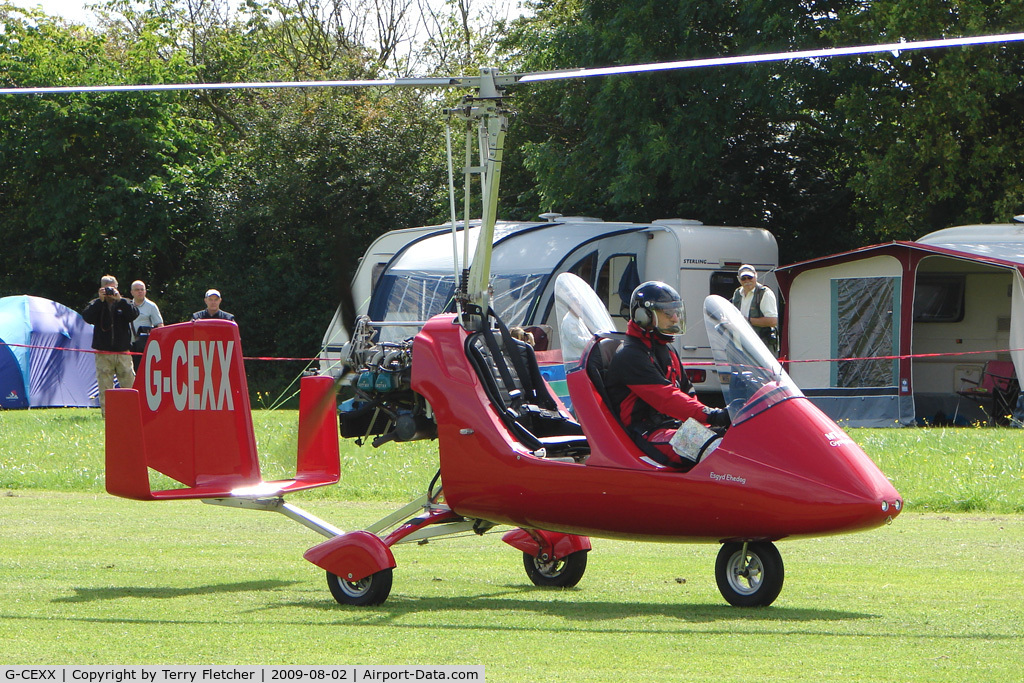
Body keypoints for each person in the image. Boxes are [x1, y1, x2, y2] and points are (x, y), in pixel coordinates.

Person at [605, 281, 730, 468]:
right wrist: (713, 416)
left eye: (676, 312)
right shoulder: (630, 355)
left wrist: (712, 421)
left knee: (736, 439)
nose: (675, 319)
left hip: (672, 426)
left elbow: (686, 391)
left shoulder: (666, 349)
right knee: (715, 450)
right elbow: (666, 398)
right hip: (645, 432)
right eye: (667, 313)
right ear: (643, 316)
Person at [81, 275, 139, 417]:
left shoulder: (125, 303)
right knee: (105, 386)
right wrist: (100, 302)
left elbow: (134, 314)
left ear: (117, 288)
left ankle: (132, 413)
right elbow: (87, 317)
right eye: (107, 288)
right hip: (103, 353)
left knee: (129, 384)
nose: (110, 291)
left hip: (123, 352)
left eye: (112, 288)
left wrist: (119, 300)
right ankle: (108, 415)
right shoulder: (96, 304)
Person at [731, 264, 779, 356]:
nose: (747, 280)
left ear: (755, 276)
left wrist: (747, 320)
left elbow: (773, 321)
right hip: (738, 348)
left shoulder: (765, 293)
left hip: (760, 349)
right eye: (743, 278)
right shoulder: (737, 293)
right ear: (738, 279)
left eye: (750, 277)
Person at [129, 280, 164, 370]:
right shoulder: (127, 306)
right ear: (132, 292)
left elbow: (160, 325)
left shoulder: (151, 306)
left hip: (144, 346)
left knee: (145, 371)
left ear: (145, 291)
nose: (140, 291)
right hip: (129, 345)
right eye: (137, 290)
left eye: (142, 289)